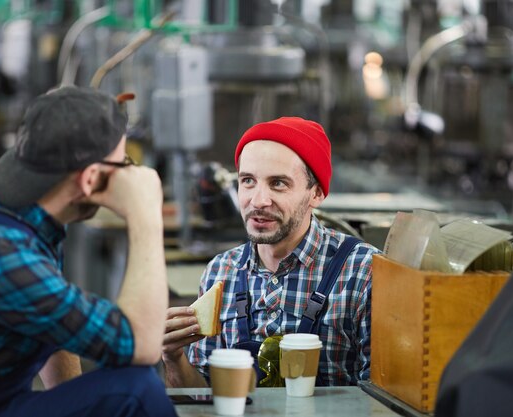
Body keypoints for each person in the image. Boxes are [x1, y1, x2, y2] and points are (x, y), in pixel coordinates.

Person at [0, 86, 177, 417]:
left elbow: (53, 323)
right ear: (90, 179)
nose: (130, 174)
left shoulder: (21, 211)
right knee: (137, 389)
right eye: (124, 164)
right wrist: (145, 213)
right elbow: (140, 345)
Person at [162, 116, 379, 388]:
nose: (259, 201)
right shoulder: (221, 272)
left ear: (317, 193)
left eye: (278, 183)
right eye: (248, 181)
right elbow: (204, 399)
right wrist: (173, 357)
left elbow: (383, 401)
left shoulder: (364, 272)